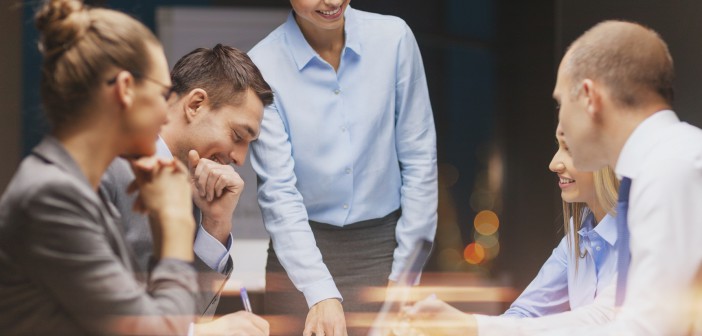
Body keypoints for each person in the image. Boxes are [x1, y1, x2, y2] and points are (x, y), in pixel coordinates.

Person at [412, 20, 702, 335]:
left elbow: (643, 329)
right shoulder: (666, 163)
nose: (561, 123)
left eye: (561, 102)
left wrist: (471, 328)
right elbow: (609, 313)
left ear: (590, 97)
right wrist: (471, 326)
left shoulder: (671, 168)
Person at [0, 0, 198, 334]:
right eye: (164, 94)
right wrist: (178, 221)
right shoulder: (51, 196)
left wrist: (163, 227)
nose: (167, 115)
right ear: (125, 89)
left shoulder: (79, 191)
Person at [248, 0, 438, 334]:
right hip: (300, 257)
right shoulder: (262, 65)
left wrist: (404, 276)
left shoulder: (393, 39)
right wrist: (318, 290)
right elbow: (278, 191)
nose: (333, 2)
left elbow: (420, 158)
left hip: (386, 248)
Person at [101, 44, 273, 335]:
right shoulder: (105, 167)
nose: (240, 159)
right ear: (195, 104)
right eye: (237, 136)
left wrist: (216, 224)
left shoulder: (193, 192)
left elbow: (185, 317)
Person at [400, 125, 620, 335]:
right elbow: (525, 313)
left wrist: (469, 327)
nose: (554, 164)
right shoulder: (578, 234)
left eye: (569, 149)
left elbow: (603, 320)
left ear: (606, 155)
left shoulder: (642, 231)